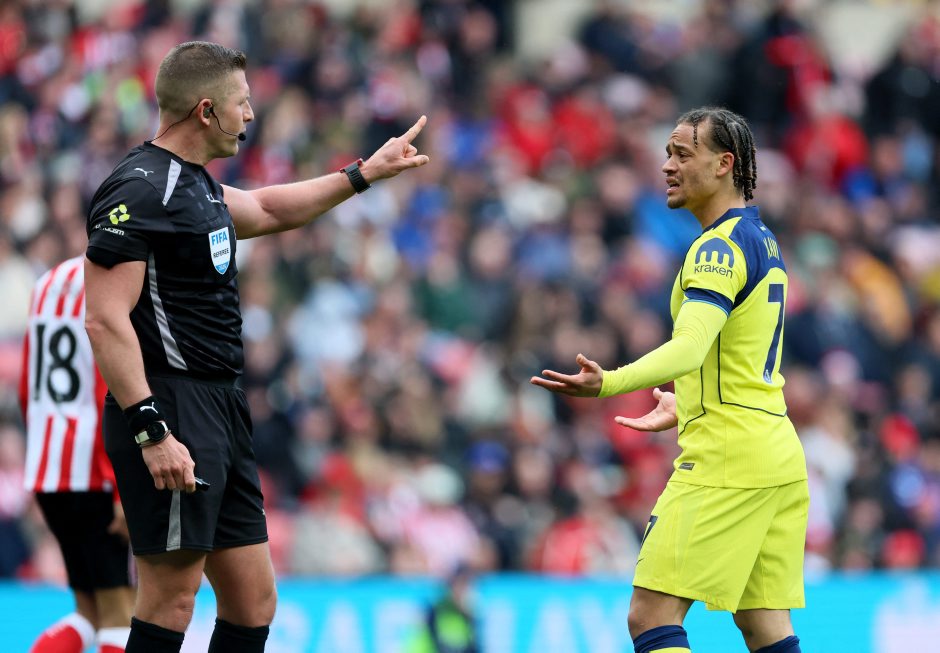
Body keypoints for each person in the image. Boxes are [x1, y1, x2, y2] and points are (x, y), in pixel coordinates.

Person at [82, 41, 429, 653]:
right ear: (206, 110)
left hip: (221, 405)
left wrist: (362, 174)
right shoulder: (138, 190)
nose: (250, 115)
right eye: (241, 103)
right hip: (170, 405)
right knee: (171, 599)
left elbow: (267, 208)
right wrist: (151, 430)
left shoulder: (197, 186)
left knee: (252, 601)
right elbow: (104, 321)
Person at [531, 107, 807, 653]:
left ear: (724, 164)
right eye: (667, 154)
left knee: (651, 614)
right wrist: (691, 401)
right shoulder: (761, 238)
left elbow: (690, 347)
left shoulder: (717, 248)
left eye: (682, 154)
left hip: (727, 458)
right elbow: (738, 355)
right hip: (774, 453)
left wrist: (609, 382)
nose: (667, 166)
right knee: (764, 627)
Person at [20, 255, 135, 653]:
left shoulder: (46, 281)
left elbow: (27, 385)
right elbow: (111, 384)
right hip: (93, 471)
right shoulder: (111, 278)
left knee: (88, 613)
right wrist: (121, 487)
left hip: (48, 467)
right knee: (121, 614)